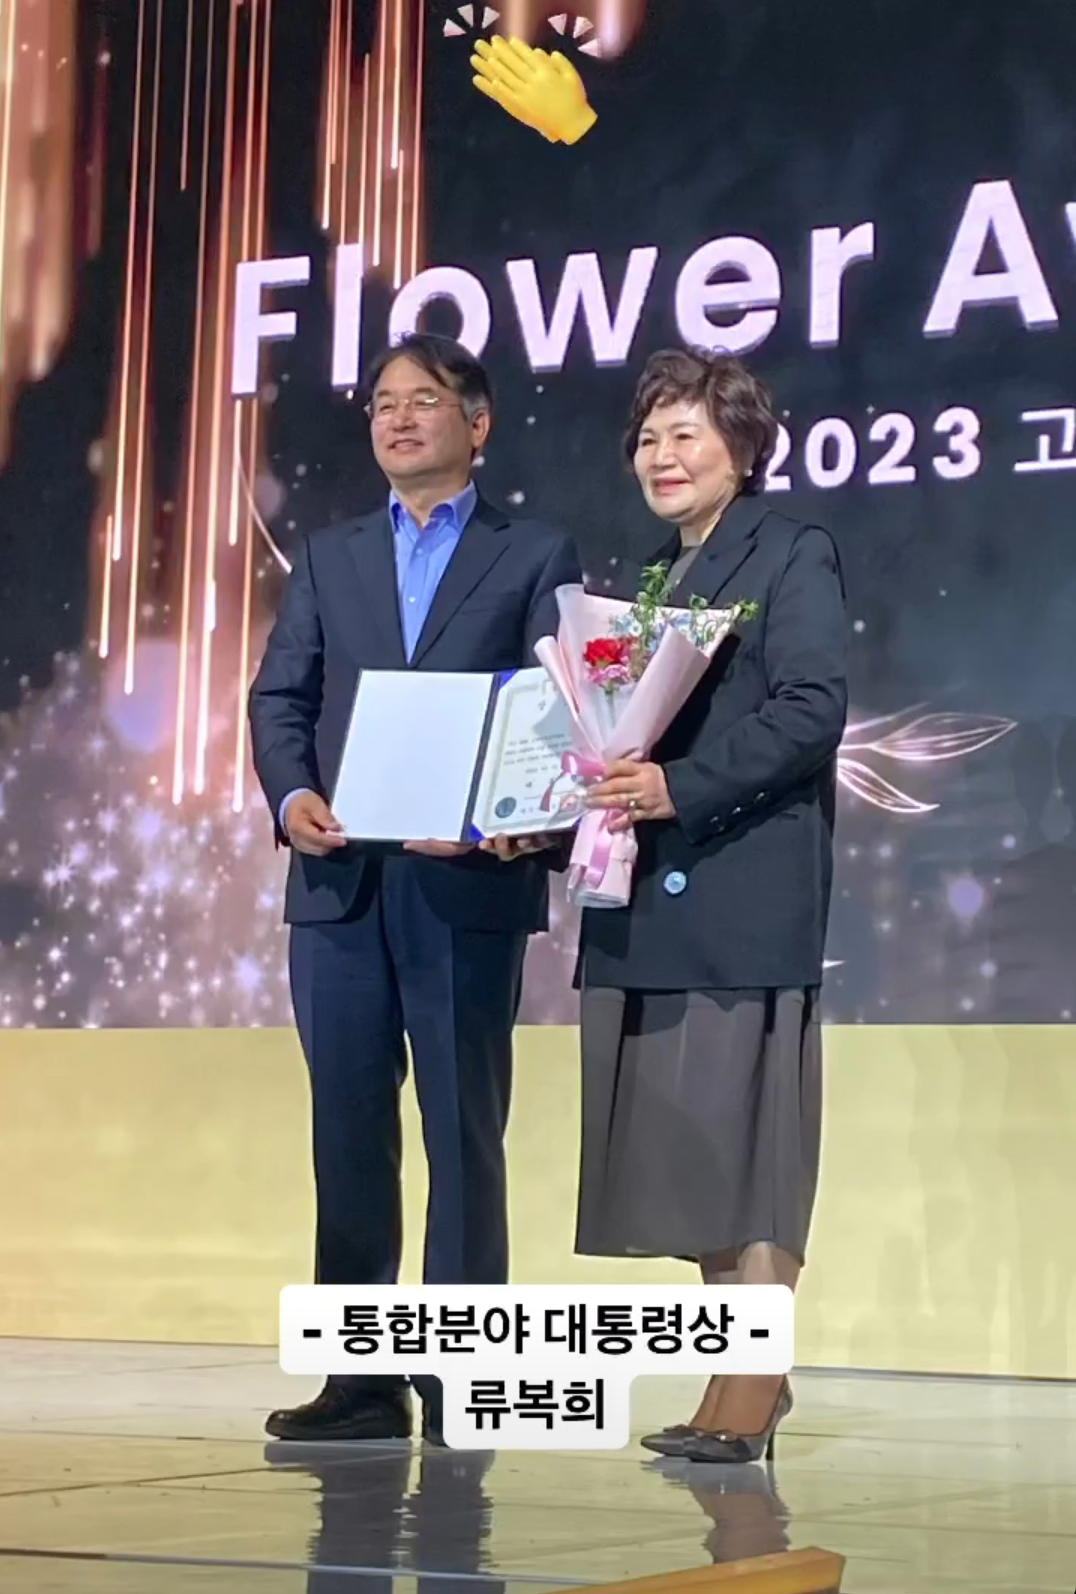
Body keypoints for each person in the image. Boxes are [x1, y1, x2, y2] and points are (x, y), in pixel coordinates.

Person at [248, 333, 581, 1444]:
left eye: (422, 400)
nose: (395, 417)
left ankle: (461, 1382)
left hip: (464, 886)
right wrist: (293, 797)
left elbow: (559, 710)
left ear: (476, 424)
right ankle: (359, 1384)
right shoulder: (331, 554)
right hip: (340, 885)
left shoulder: (533, 552)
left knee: (462, 1134)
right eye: (383, 402)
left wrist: (508, 824)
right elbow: (280, 699)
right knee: (347, 1131)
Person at [579, 348, 848, 1463]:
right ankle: (735, 1374)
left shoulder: (789, 548)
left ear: (742, 446)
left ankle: (756, 1378)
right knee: (695, 1153)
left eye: (685, 433)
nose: (661, 454)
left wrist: (677, 787)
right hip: (651, 900)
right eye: (648, 437)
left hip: (742, 892)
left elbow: (812, 707)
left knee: (752, 1149)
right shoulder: (648, 580)